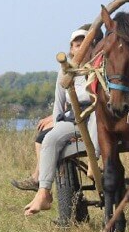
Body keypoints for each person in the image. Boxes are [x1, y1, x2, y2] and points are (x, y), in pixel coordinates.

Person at [19, 25, 103, 216]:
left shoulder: (98, 67)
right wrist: (56, 126)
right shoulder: (64, 71)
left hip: (95, 113)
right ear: (71, 49)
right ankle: (43, 192)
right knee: (49, 139)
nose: (80, 48)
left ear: (91, 47)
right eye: (76, 45)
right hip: (73, 117)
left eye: (84, 44)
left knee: (97, 115)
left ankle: (93, 161)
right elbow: (59, 105)